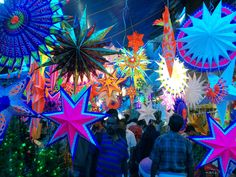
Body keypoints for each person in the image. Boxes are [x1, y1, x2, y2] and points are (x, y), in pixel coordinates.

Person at [96, 109, 129, 177]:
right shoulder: (100, 138)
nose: (110, 126)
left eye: (112, 124)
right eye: (108, 123)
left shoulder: (122, 143)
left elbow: (124, 163)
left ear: (117, 125)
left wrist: (125, 175)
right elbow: (92, 157)